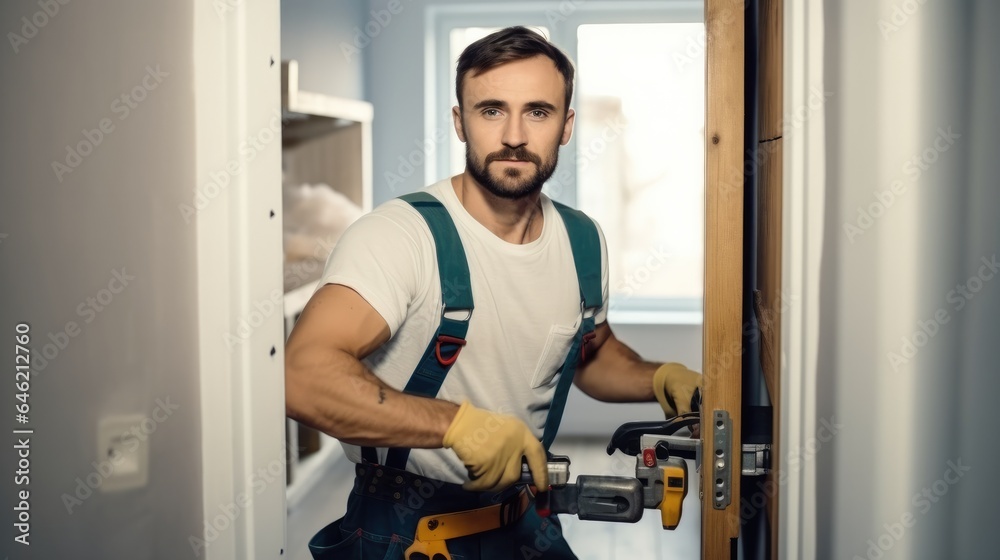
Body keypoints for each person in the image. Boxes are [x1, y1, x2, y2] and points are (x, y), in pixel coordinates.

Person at [284, 26, 702, 560]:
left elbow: (587, 355)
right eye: (490, 110)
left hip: (526, 517)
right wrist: (458, 426)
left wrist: (659, 377)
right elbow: (302, 375)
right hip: (411, 529)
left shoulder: (581, 240)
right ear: (460, 122)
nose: (513, 135)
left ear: (566, 126)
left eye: (538, 112)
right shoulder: (400, 236)